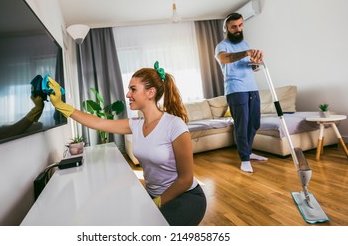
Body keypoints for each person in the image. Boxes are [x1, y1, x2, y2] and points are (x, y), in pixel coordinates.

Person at [47, 61, 207, 226]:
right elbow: (98, 123)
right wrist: (61, 106)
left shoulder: (175, 125)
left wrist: (156, 203)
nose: (128, 94)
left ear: (150, 93)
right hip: (153, 195)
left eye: (133, 89)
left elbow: (186, 179)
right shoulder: (136, 125)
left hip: (185, 196)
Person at [215, 13, 268, 173]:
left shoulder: (245, 43)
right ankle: (244, 159)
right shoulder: (222, 46)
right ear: (227, 29)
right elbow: (225, 59)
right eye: (233, 27)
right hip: (236, 89)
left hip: (252, 87)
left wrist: (256, 63)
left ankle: (249, 152)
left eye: (240, 25)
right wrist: (246, 53)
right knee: (242, 125)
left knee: (254, 123)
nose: (238, 29)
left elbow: (250, 66)